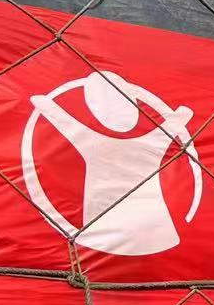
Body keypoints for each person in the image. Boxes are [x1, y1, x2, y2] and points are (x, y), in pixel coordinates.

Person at [30, 71, 194, 256]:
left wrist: (48, 105)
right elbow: (182, 116)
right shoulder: (151, 142)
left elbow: (58, 116)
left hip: (103, 238)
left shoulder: (92, 142)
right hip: (158, 233)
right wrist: (178, 116)